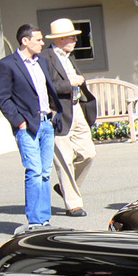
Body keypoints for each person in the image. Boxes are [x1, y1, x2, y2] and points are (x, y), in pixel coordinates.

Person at [0, 24, 60, 232]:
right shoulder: (7, 65)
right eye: (38, 40)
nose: (42, 43)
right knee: (34, 171)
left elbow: (49, 89)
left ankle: (44, 219)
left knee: (45, 172)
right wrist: (19, 122)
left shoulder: (42, 61)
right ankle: (34, 221)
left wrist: (54, 114)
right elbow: (3, 99)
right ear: (25, 41)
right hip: (27, 127)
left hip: (46, 123)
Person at [42, 17, 95, 218]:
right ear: (59, 39)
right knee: (64, 158)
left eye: (74, 37)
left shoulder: (69, 56)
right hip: (59, 111)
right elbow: (45, 86)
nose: (74, 40)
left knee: (88, 153)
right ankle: (73, 204)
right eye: (70, 37)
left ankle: (66, 188)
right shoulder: (45, 57)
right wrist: (69, 83)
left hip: (77, 108)